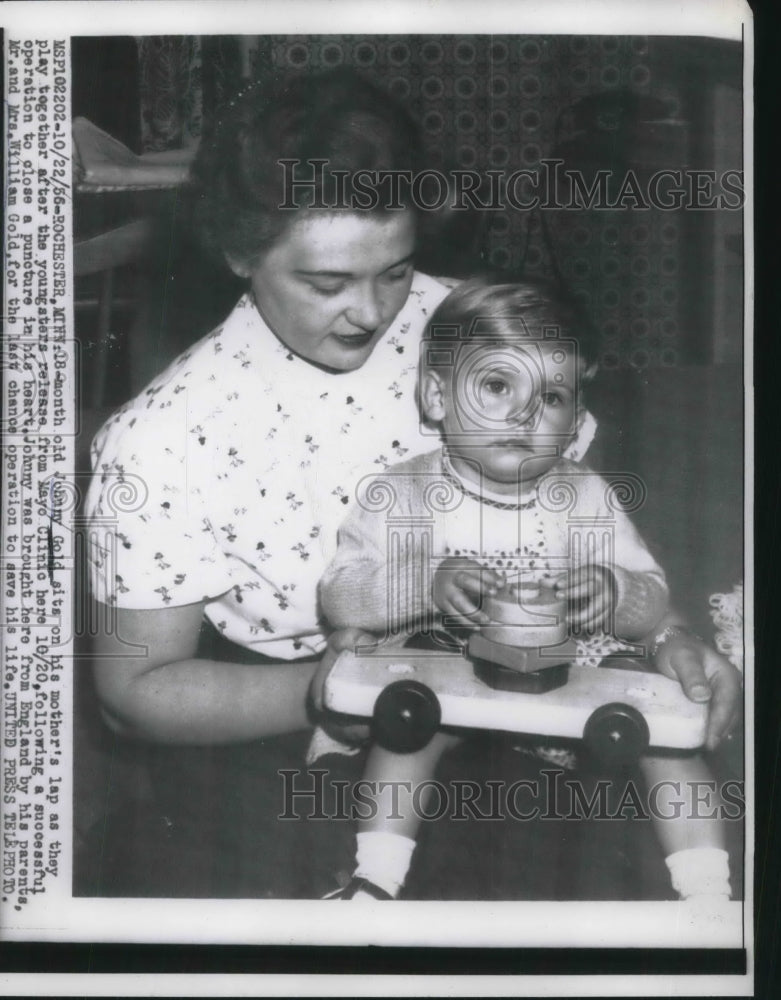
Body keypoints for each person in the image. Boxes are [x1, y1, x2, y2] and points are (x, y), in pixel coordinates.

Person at [84, 68, 739, 898]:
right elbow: (131, 695)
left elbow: (582, 523)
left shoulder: (475, 332)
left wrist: (670, 639)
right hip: (304, 724)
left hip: (534, 682)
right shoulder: (162, 438)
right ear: (240, 252)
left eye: (393, 269)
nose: (372, 312)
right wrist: (352, 688)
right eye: (326, 283)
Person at [318, 280, 734, 902]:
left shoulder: (587, 496)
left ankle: (710, 896)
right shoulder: (398, 493)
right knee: (410, 721)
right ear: (436, 396)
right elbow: (341, 598)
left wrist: (614, 590)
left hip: (565, 681)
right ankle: (375, 879)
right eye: (496, 386)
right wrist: (423, 583)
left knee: (660, 719)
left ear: (575, 420)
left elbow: (650, 595)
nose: (524, 413)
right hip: (447, 669)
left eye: (553, 396)